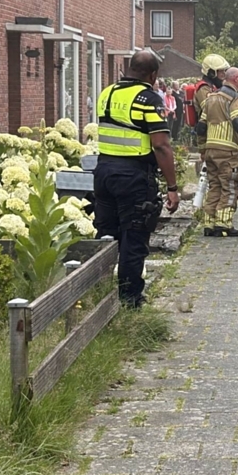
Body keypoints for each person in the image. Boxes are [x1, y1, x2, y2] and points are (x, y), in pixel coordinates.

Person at [93, 51, 180, 308]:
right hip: (133, 176)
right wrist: (172, 187)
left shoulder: (107, 93)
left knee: (106, 235)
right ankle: (130, 302)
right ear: (153, 75)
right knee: (134, 237)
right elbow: (161, 145)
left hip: (104, 172)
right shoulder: (148, 99)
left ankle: (100, 294)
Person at [199, 67, 238, 236]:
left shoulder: (210, 98)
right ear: (235, 79)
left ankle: (209, 224)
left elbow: (201, 126)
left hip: (211, 150)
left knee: (215, 186)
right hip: (227, 151)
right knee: (230, 187)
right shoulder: (235, 99)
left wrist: (202, 148)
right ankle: (223, 224)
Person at [194, 54, 230, 158]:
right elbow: (210, 109)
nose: (223, 74)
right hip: (206, 132)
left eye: (224, 71)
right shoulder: (203, 88)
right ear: (211, 72)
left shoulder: (215, 87)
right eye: (220, 71)